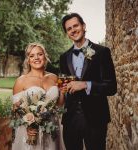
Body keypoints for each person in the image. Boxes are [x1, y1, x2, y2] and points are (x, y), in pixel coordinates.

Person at [59, 13, 117, 150]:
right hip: (71, 119)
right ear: (67, 33)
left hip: (96, 119)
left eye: (75, 26)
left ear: (83, 26)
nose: (73, 30)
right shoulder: (63, 57)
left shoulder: (102, 52)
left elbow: (111, 87)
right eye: (69, 29)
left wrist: (85, 84)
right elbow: (64, 86)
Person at [11, 42, 65, 150]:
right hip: (31, 132)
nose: (36, 58)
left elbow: (59, 105)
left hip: (52, 130)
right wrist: (28, 124)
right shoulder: (21, 80)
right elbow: (15, 109)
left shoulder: (54, 77)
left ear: (45, 56)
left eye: (39, 54)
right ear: (28, 60)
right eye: (32, 55)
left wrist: (63, 92)